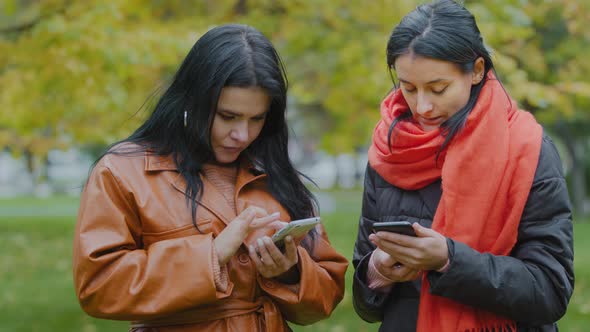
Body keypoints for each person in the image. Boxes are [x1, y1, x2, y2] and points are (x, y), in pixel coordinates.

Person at [73, 24, 348, 332]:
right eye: (227, 116)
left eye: (257, 118)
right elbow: (98, 287)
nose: (242, 134)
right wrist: (212, 255)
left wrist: (289, 272)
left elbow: (325, 298)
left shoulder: (274, 171)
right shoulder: (123, 171)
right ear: (192, 100)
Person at [352, 1, 574, 331]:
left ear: (477, 70)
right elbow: (365, 302)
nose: (423, 106)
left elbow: (550, 290)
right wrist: (378, 273)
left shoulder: (527, 149)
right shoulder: (389, 148)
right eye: (409, 88)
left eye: (438, 88)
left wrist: (448, 260)